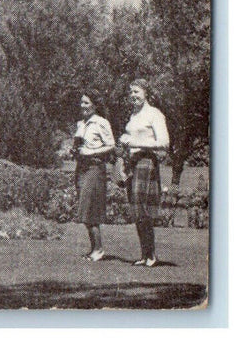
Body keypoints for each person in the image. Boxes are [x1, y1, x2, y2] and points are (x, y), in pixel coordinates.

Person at [118, 78, 170, 267]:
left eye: (136, 92)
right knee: (136, 210)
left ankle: (152, 255)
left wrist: (136, 143)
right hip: (133, 162)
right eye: (131, 92)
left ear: (146, 93)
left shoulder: (154, 114)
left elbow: (164, 143)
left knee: (144, 211)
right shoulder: (133, 116)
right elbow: (130, 141)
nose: (133, 96)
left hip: (146, 162)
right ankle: (144, 254)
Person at [72, 90, 115, 261]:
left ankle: (99, 249)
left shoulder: (101, 123)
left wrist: (91, 152)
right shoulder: (81, 124)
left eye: (87, 103)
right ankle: (94, 249)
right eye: (82, 102)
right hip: (81, 168)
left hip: (95, 168)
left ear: (95, 105)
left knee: (90, 209)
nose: (83, 106)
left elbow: (111, 145)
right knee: (84, 209)